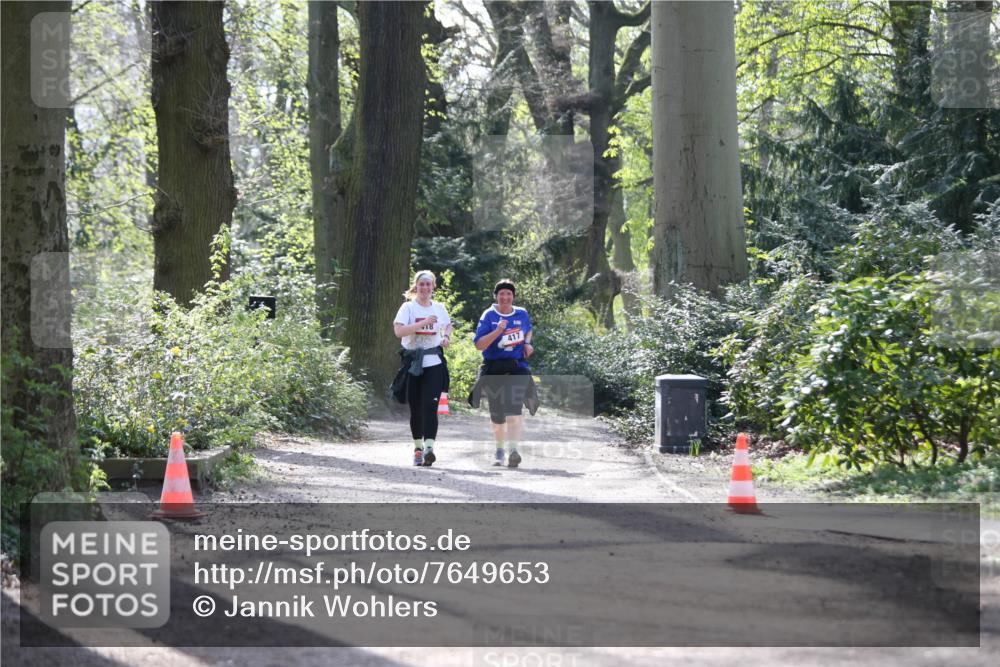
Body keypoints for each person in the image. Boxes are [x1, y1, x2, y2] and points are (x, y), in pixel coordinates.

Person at [472, 279, 537, 468]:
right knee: (497, 414)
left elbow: (529, 330)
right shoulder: (489, 315)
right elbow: (479, 345)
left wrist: (527, 343)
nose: (505, 297)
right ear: (496, 296)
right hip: (494, 368)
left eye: (509, 294)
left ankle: (514, 451)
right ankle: (499, 451)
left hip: (517, 368)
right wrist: (498, 331)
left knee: (514, 409)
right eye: (502, 293)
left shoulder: (521, 313)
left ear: (513, 296)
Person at [393, 270, 452, 467]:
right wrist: (425, 322)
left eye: (429, 284)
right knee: (416, 408)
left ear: (433, 286)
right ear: (416, 286)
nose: (425, 288)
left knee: (430, 406)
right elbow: (399, 331)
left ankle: (429, 448)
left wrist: (446, 337)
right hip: (412, 364)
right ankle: (417, 449)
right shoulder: (408, 307)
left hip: (433, 362)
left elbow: (447, 326)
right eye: (421, 284)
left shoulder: (439, 307)